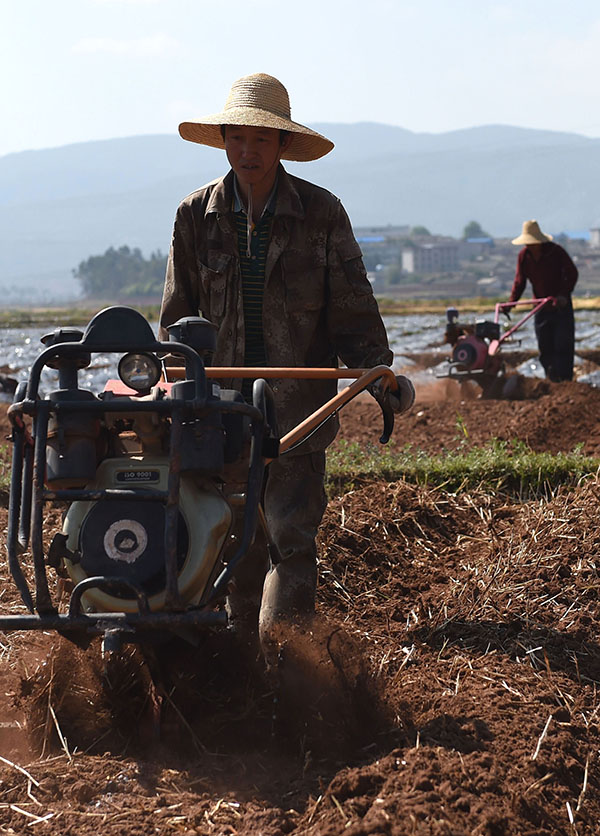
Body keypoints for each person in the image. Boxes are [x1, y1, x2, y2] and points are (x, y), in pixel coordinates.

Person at [159, 72, 414, 660]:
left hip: (299, 407)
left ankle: (291, 668)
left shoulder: (321, 215)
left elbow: (352, 304)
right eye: (239, 138)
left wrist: (378, 373)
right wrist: (174, 386)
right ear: (224, 141)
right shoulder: (195, 217)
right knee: (230, 541)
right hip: (220, 412)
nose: (249, 151)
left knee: (292, 541)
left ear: (281, 146)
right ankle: (236, 661)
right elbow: (178, 319)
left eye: (262, 140)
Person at [509, 219, 578, 382]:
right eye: (528, 243)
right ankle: (551, 380)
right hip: (540, 306)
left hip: (560, 307)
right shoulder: (524, 256)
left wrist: (563, 294)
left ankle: (565, 381)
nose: (530, 246)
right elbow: (520, 281)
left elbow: (572, 274)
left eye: (533, 243)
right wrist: (511, 302)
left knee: (562, 345)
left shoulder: (556, 252)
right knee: (545, 347)